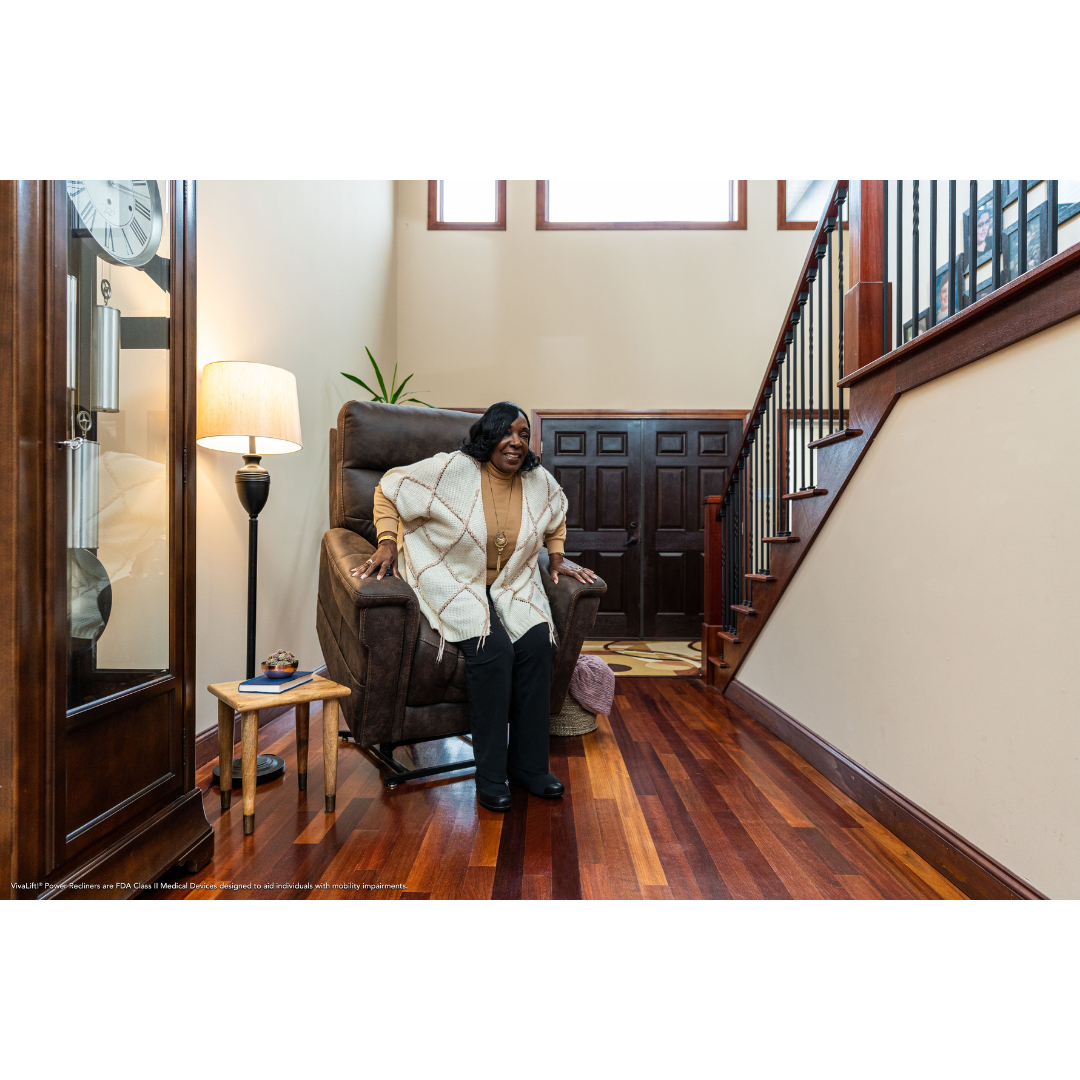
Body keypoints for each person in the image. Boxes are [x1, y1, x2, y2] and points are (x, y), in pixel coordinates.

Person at [352, 402, 598, 812]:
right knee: (493, 650)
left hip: (511, 581)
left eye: (523, 434)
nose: (516, 442)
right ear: (488, 436)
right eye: (506, 433)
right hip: (452, 576)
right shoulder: (452, 469)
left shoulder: (538, 480)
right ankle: (491, 775)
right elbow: (389, 488)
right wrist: (388, 542)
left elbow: (557, 516)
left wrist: (556, 556)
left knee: (539, 644)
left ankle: (529, 767)